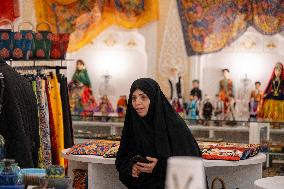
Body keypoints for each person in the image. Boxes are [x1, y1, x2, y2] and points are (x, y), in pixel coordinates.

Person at [115, 78, 201, 189]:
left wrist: (160, 167)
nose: (137, 103)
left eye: (143, 97)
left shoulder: (174, 125)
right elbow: (121, 159)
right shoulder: (133, 124)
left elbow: (192, 161)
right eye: (134, 98)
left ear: (154, 98)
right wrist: (130, 168)